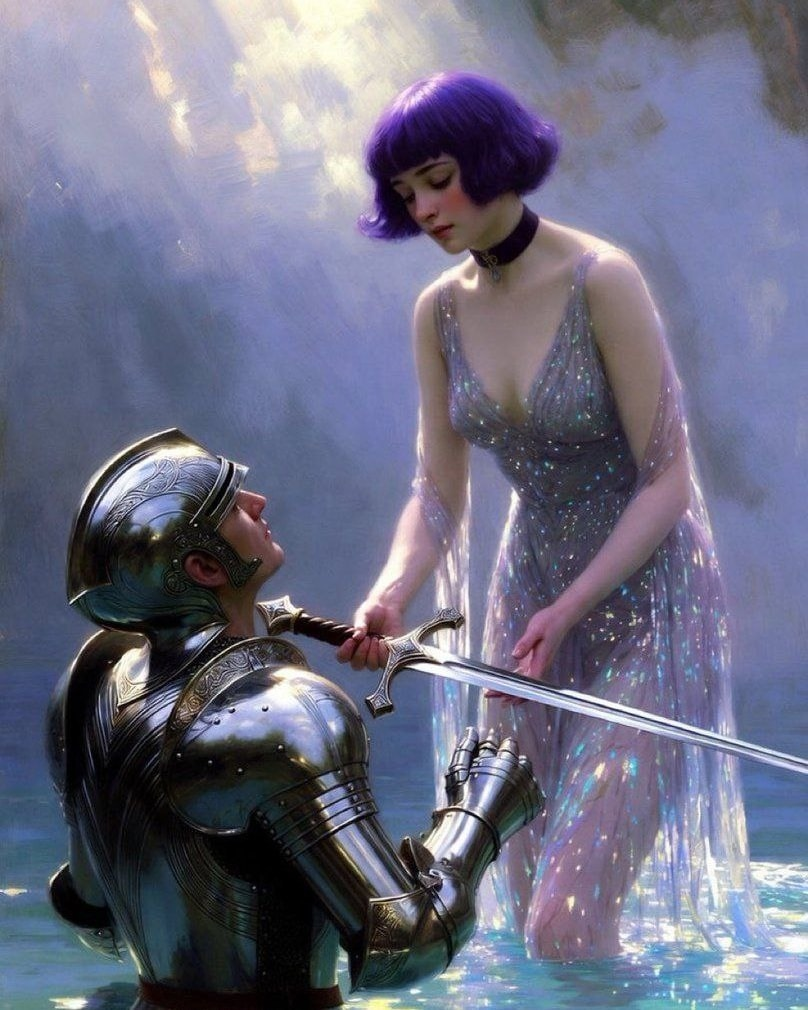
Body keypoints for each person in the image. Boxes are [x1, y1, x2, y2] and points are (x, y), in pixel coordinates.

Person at [338, 71, 766, 959]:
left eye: (437, 178)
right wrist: (390, 594)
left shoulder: (601, 279)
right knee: (526, 905)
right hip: (528, 602)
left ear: (493, 157)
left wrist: (570, 609)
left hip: (652, 605)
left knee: (566, 922)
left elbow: (667, 480)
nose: (423, 207)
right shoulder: (437, 311)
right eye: (406, 192)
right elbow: (437, 491)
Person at [46, 428, 543, 1010]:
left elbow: (92, 915)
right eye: (233, 506)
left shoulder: (91, 686)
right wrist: (481, 811)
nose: (258, 503)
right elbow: (404, 942)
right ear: (205, 566)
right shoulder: (287, 713)